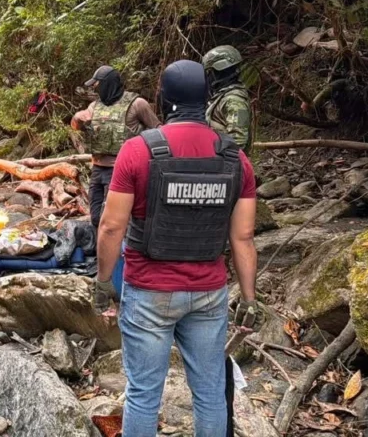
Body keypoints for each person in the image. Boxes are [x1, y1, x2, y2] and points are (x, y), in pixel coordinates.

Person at [93, 59, 262, 437]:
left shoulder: (137, 151)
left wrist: (103, 280)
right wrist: (249, 298)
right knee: (209, 393)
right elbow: (243, 237)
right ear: (207, 98)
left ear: (163, 97)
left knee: (142, 394)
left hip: (149, 291)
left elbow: (111, 225)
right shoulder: (235, 157)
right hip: (208, 293)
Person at [70, 65, 159, 242]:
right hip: (98, 168)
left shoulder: (137, 104)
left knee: (115, 219)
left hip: (123, 169)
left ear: (108, 84)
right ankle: (101, 257)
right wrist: (77, 118)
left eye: (97, 84)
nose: (94, 88)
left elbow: (157, 130)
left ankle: (120, 260)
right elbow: (75, 125)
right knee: (96, 217)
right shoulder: (94, 105)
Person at [204, 46, 253, 152]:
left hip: (225, 163)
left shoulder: (234, 100)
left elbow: (238, 142)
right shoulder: (223, 96)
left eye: (209, 72)